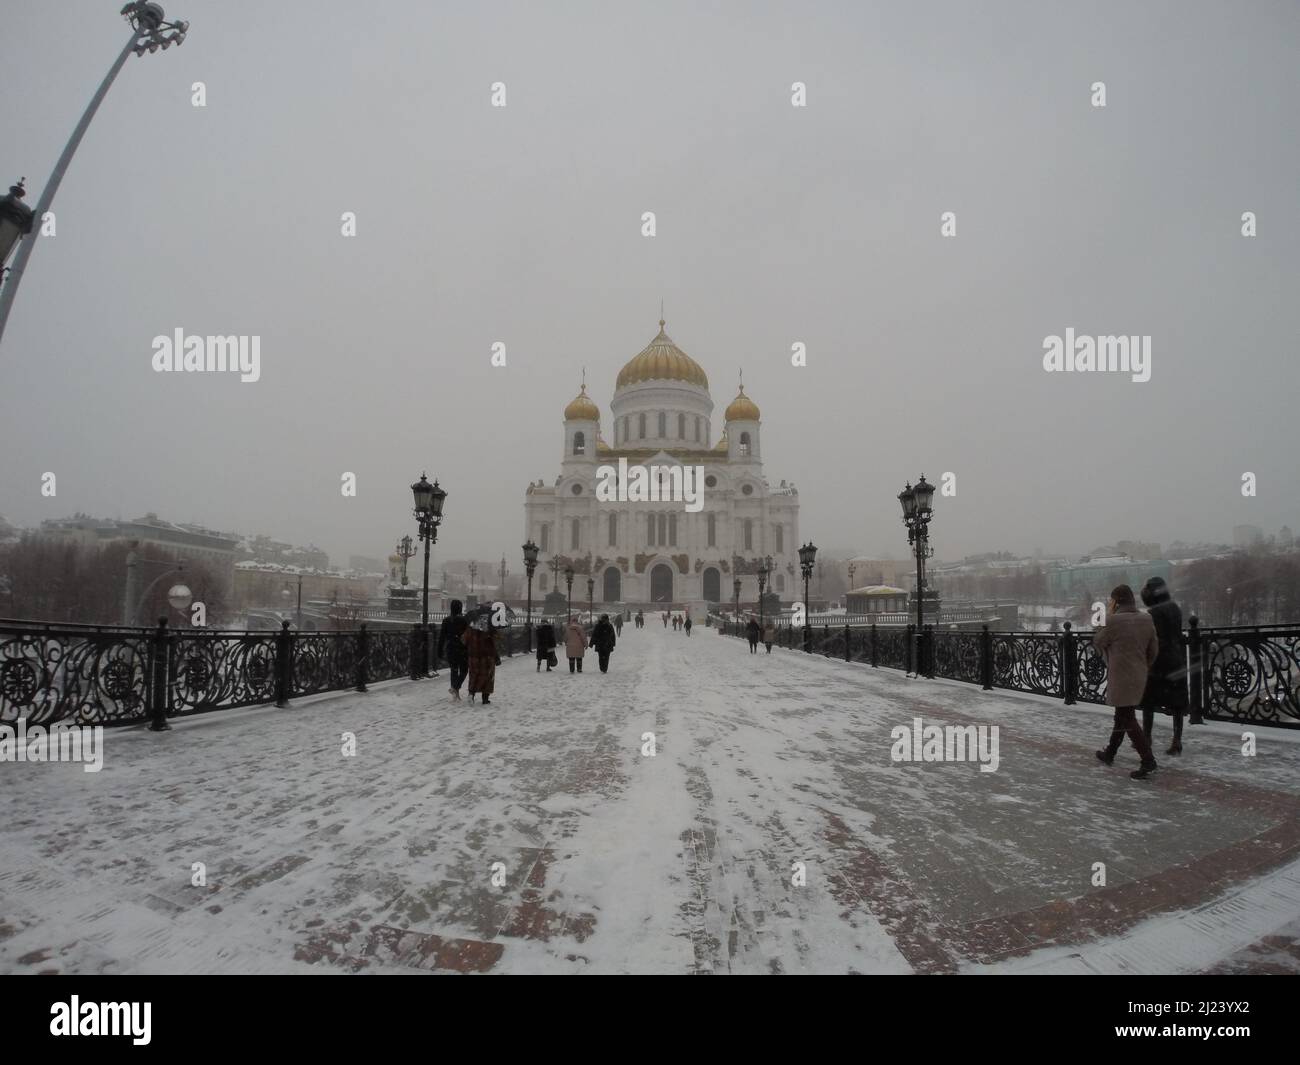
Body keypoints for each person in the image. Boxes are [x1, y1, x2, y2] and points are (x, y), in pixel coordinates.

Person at [1093, 584, 1160, 779]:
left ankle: (1148, 760)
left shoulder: (1113, 621)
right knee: (1122, 715)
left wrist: (1103, 620)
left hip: (1121, 676)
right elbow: (1153, 650)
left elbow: (1098, 642)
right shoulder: (1147, 619)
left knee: (1127, 717)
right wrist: (1142, 666)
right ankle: (1110, 752)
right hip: (1139, 675)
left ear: (1115, 602)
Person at [1139, 576, 1190, 756]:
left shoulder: (1154, 613)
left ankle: (1146, 738)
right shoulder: (1175, 608)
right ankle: (1177, 741)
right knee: (1177, 703)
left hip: (1159, 662)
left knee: (1148, 702)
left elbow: (1153, 638)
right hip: (1177, 660)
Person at [462, 610, 501, 705]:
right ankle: (485, 698)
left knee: (474, 675)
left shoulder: (471, 627)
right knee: (488, 676)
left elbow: (464, 641)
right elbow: (496, 641)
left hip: (473, 656)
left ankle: (471, 694)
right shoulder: (490, 628)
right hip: (487, 656)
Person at [436, 599, 470, 700]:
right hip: (462, 649)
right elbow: (467, 636)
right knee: (464, 670)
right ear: (460, 608)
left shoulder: (446, 621)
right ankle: (456, 688)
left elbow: (442, 637)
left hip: (450, 648)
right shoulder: (464, 620)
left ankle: (455, 692)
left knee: (454, 670)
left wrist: (439, 650)